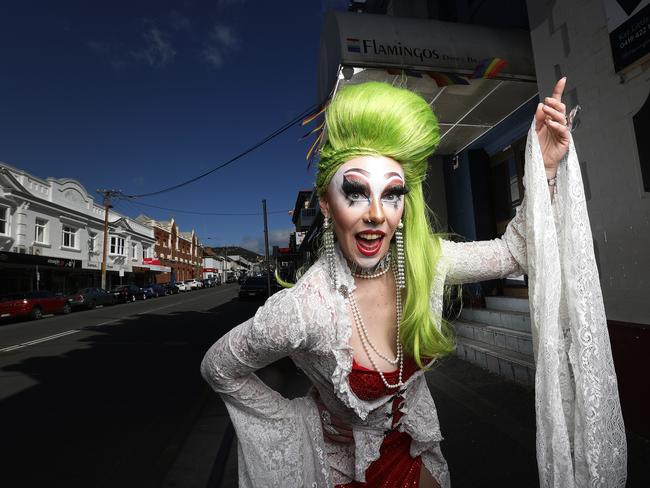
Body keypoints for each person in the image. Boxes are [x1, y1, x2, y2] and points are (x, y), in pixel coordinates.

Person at [201, 79, 626, 487]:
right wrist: (301, 425)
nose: (376, 213)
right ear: (327, 205)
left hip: (416, 460)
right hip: (341, 473)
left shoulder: (426, 263)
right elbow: (220, 368)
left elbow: (513, 252)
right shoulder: (302, 310)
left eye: (391, 194)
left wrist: (544, 170)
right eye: (355, 192)